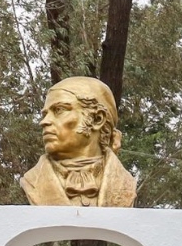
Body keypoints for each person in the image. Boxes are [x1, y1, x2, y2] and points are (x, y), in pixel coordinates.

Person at [21, 76, 136, 207]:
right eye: (45, 114)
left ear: (97, 119)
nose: (44, 122)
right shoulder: (32, 181)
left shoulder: (126, 183)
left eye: (59, 110)